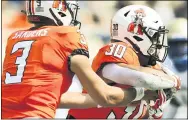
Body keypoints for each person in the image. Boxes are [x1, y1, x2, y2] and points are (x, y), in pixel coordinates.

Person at [2, 1, 175, 119]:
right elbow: (106, 97)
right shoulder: (66, 36)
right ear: (58, 7)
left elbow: (47, 96)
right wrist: (145, 92)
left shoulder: (15, 38)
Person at [64, 5, 181, 119]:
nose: (158, 42)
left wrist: (157, 108)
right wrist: (170, 80)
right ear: (136, 33)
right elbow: (136, 76)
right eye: (154, 35)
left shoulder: (154, 67)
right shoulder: (121, 52)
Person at [163, 18, 187, 118]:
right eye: (174, 43)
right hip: (171, 103)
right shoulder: (162, 62)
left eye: (183, 43)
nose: (178, 48)